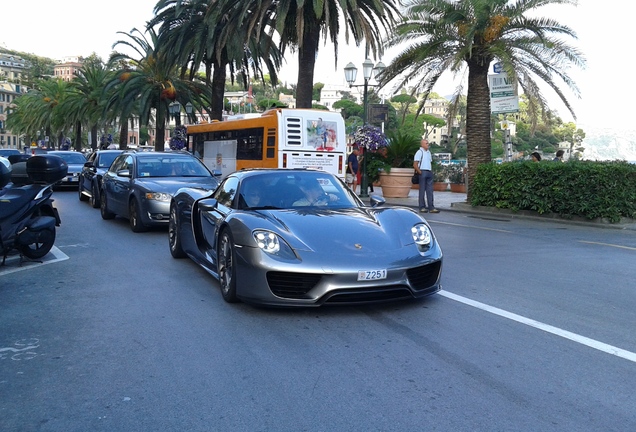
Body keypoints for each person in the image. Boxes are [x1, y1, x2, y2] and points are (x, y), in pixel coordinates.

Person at [413, 138, 439, 213]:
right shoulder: (419, 152)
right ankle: (422, 207)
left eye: (428, 143)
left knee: (430, 190)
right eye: (426, 143)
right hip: (423, 171)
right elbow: (415, 164)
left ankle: (431, 207)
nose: (428, 145)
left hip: (429, 171)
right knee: (422, 190)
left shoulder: (428, 152)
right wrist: (420, 172)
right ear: (422, 144)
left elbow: (429, 162)